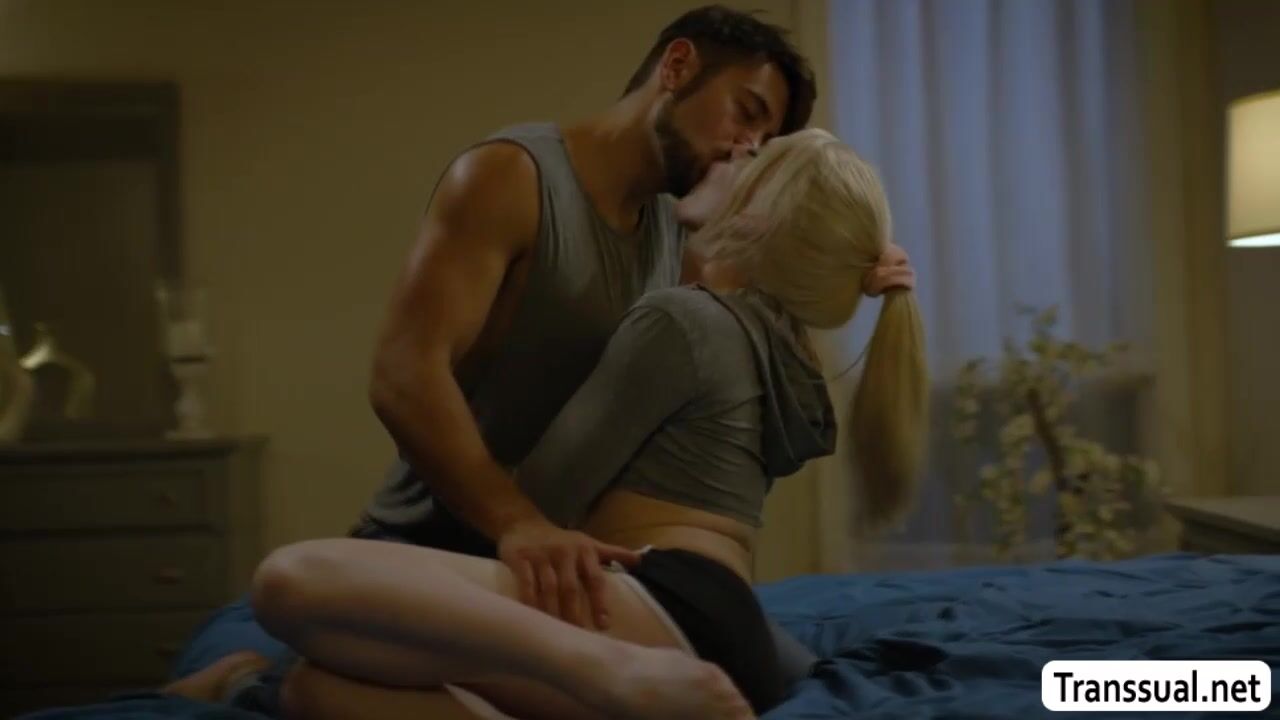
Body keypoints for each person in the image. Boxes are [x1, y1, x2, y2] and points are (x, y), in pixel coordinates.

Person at [162, 5, 826, 713]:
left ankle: (256, 684)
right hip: (443, 537)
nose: (748, 145)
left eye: (764, 138)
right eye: (746, 112)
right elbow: (404, 376)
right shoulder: (509, 176)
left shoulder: (674, 230)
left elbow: (745, 375)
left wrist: (845, 266)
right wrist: (517, 523)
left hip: (558, 552)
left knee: (786, 669)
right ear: (678, 66)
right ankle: (255, 679)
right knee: (305, 643)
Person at [216, 127, 927, 720]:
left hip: (661, 603)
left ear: (758, 218)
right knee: (316, 692)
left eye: (755, 159)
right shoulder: (788, 354)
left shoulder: (685, 320)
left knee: (291, 580)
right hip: (723, 630)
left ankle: (607, 672)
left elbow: (547, 494)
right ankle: (245, 687)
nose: (736, 150)